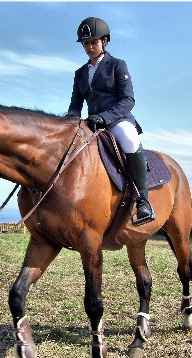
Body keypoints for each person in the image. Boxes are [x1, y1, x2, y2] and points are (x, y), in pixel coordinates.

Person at [67, 17, 155, 226]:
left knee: (130, 141)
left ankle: (142, 200)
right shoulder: (80, 73)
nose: (89, 47)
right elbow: (75, 105)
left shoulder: (117, 65)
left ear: (104, 41)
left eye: (93, 42)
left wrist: (106, 117)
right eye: (85, 43)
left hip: (116, 120)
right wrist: (69, 123)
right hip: (91, 123)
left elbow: (128, 100)